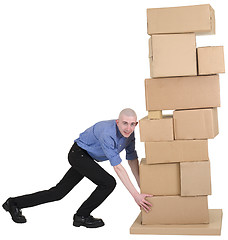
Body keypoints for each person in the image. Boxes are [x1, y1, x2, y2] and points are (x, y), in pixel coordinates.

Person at [2, 108, 152, 228]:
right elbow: (118, 168)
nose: (128, 128)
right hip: (78, 154)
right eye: (125, 123)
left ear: (136, 124)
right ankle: (82, 216)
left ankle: (14, 203)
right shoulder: (107, 133)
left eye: (132, 124)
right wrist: (135, 196)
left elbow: (132, 160)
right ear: (117, 122)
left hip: (87, 157)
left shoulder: (129, 136)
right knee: (108, 182)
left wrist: (141, 187)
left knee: (58, 192)